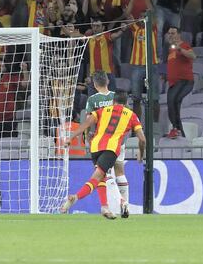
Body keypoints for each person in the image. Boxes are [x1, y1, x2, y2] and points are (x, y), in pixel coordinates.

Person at [62, 91, 146, 219]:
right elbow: (142, 139)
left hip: (95, 148)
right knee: (97, 177)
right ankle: (76, 197)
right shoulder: (131, 115)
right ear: (127, 103)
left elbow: (86, 124)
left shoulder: (103, 110)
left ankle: (104, 207)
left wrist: (71, 137)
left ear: (113, 102)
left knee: (102, 177)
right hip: (110, 149)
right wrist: (141, 152)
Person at [84, 72, 130, 218]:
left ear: (95, 84)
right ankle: (126, 205)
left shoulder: (92, 100)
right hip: (119, 140)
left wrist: (87, 136)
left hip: (103, 142)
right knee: (120, 172)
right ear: (108, 81)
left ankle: (118, 203)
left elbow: (88, 120)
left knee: (105, 174)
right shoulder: (115, 97)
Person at [165, 27, 195, 139]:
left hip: (185, 81)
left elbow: (193, 56)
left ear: (179, 34)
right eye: (169, 33)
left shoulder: (183, 45)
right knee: (170, 104)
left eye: (173, 33)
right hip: (173, 83)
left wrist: (180, 49)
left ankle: (176, 129)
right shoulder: (170, 49)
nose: (170, 35)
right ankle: (177, 130)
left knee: (174, 101)